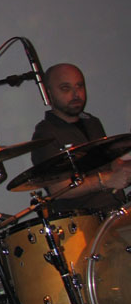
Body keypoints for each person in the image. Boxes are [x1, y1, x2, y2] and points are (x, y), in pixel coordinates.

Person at [30, 63, 131, 214]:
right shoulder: (45, 134)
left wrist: (123, 167)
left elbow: (110, 163)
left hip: (115, 210)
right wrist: (106, 180)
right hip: (84, 220)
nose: (76, 94)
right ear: (48, 93)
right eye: (66, 88)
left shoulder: (92, 122)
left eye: (79, 86)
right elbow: (58, 188)